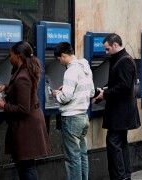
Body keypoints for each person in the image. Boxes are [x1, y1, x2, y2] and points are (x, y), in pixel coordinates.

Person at [0, 41, 50, 180]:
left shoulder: (23, 76)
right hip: (28, 125)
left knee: (27, 167)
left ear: (18, 56)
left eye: (10, 55)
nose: (9, 58)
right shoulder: (25, 71)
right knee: (25, 165)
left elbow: (23, 108)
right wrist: (7, 87)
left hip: (27, 128)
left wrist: (3, 106)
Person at [92, 33, 141, 180]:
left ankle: (119, 177)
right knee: (121, 144)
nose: (106, 52)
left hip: (121, 112)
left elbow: (123, 86)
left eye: (107, 49)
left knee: (113, 144)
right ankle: (125, 176)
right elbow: (116, 83)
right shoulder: (120, 58)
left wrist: (104, 95)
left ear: (115, 45)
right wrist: (103, 91)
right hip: (121, 112)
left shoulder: (124, 60)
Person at [52, 42, 95, 180]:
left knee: (72, 159)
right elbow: (92, 91)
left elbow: (66, 97)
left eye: (59, 59)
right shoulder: (85, 68)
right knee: (82, 155)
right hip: (83, 117)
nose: (59, 63)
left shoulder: (70, 71)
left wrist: (56, 94)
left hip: (71, 118)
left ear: (63, 55)